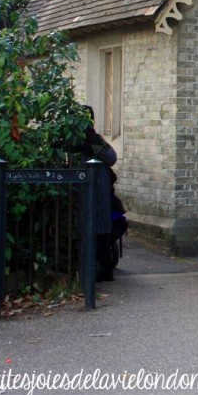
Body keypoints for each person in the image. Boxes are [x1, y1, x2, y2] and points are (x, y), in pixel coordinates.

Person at [79, 106, 122, 282]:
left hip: (97, 189)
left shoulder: (91, 140)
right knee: (97, 230)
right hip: (93, 189)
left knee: (100, 230)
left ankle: (102, 269)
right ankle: (99, 269)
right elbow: (111, 157)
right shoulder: (85, 139)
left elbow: (111, 157)